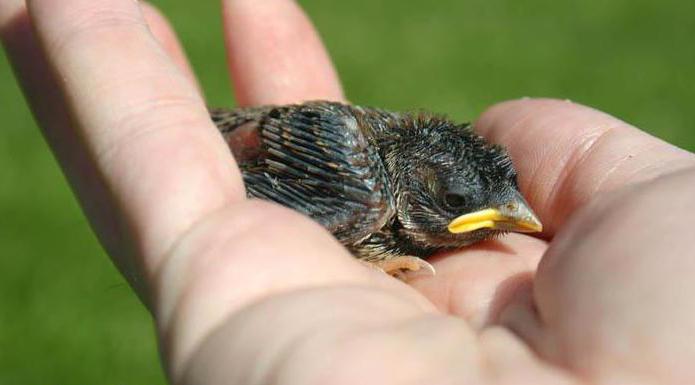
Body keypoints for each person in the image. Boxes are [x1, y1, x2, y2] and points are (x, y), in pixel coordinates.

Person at [2, 0, 695, 383]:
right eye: (457, 204)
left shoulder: (440, 180)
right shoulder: (361, 186)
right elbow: (248, 185)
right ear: (417, 191)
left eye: (503, 198)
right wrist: (363, 249)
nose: (513, 216)